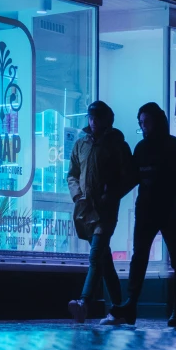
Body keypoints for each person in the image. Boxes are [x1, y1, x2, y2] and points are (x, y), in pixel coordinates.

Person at [101, 101, 176, 328]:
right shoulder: (142, 148)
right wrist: (112, 194)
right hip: (147, 212)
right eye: (141, 123)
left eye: (146, 122)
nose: (143, 127)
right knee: (139, 258)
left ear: (157, 121)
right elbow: (132, 178)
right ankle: (131, 305)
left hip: (170, 212)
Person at [67, 101, 132, 323]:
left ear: (106, 120)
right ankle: (119, 307)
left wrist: (112, 194)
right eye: (90, 117)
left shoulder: (117, 145)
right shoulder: (80, 145)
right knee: (105, 261)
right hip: (87, 211)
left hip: (105, 212)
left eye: (97, 117)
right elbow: (73, 174)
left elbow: (129, 177)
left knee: (96, 257)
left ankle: (84, 302)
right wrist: (77, 195)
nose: (93, 122)